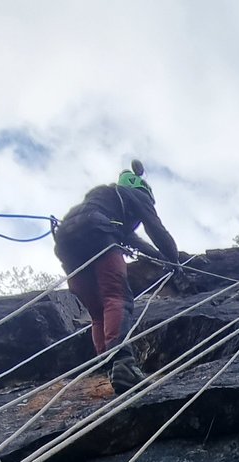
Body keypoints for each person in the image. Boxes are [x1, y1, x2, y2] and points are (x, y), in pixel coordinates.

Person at [52, 160, 181, 394]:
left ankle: (109, 366)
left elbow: (133, 240)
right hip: (98, 233)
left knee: (98, 312)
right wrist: (175, 260)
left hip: (67, 243)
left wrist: (162, 257)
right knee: (116, 297)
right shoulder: (134, 194)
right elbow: (155, 228)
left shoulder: (104, 200)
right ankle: (122, 363)